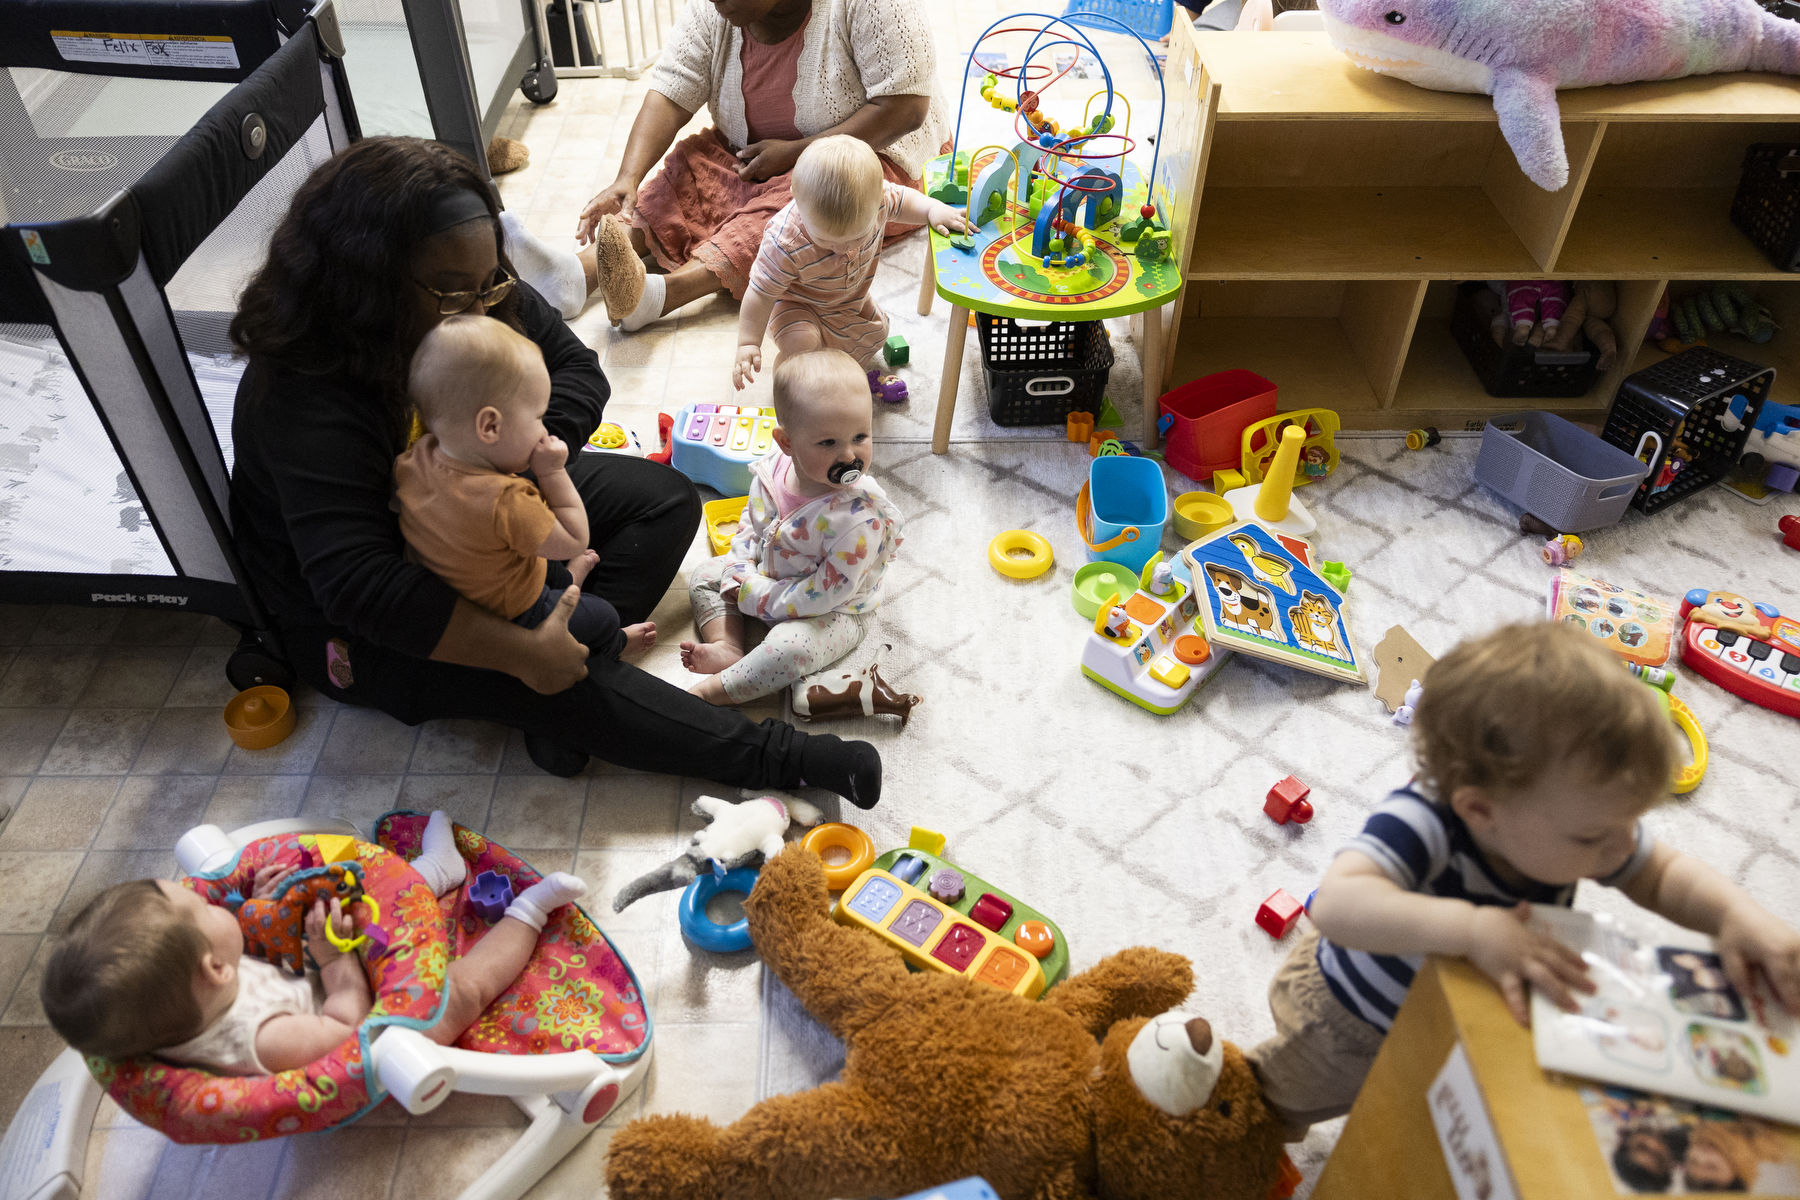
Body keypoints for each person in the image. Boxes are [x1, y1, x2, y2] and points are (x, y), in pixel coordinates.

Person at [229, 136, 881, 806]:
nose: (482, 309)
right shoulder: (304, 393)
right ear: (367, 282)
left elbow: (575, 371)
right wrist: (517, 650)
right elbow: (359, 586)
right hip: (373, 614)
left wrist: (512, 473)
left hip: (475, 519)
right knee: (551, 670)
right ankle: (793, 759)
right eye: (456, 295)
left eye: (490, 285)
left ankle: (559, 671)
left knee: (664, 505)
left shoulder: (475, 293)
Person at [1245, 621, 1800, 1137]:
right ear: (1482, 810)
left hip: (1453, 1011)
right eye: (1593, 837)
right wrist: (1473, 930)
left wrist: (1736, 915)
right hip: (1347, 1022)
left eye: (1629, 823)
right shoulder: (1426, 818)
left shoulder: (1586, 823)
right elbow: (1339, 905)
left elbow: (1664, 875)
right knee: (1266, 1111)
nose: (1622, 847)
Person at [40, 813, 578, 1074]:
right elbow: (348, 1033)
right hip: (372, 1025)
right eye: (202, 907)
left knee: (360, 893)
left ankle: (440, 870)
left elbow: (240, 956)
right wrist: (332, 957)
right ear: (214, 970)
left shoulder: (187, 992)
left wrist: (258, 907)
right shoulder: (266, 1038)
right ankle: (528, 913)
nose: (208, 898)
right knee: (460, 991)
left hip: (309, 971)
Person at [574, 0, 948, 332]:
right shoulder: (715, 9)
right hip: (748, 153)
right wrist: (628, 177)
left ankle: (663, 294)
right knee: (688, 170)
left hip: (863, 153)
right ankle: (583, 271)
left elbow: (905, 108)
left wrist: (798, 153)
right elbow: (672, 92)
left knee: (803, 210)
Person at [396, 314, 654, 660]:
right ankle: (613, 646)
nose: (543, 428)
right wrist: (552, 472)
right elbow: (575, 539)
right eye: (537, 417)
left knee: (530, 556)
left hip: (456, 600)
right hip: (513, 613)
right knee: (601, 616)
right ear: (490, 426)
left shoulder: (413, 461)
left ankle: (568, 583)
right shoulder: (508, 501)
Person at [681, 350, 901, 709]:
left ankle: (714, 691)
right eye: (828, 443)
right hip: (768, 578)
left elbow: (824, 594)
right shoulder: (771, 472)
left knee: (790, 647)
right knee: (707, 573)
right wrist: (739, 570)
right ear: (786, 442)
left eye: (860, 436)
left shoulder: (858, 521)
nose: (849, 455)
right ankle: (728, 645)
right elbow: (749, 529)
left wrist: (757, 595)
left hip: (834, 610)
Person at [731, 135, 967, 390]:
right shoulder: (784, 241)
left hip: (847, 297)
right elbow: (760, 293)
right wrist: (748, 342)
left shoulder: (878, 200)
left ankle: (829, 359)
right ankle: (791, 392)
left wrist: (932, 209)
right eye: (825, 240)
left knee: (877, 332)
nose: (843, 248)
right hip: (795, 303)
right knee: (803, 344)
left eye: (856, 237)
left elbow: (904, 201)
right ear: (796, 198)